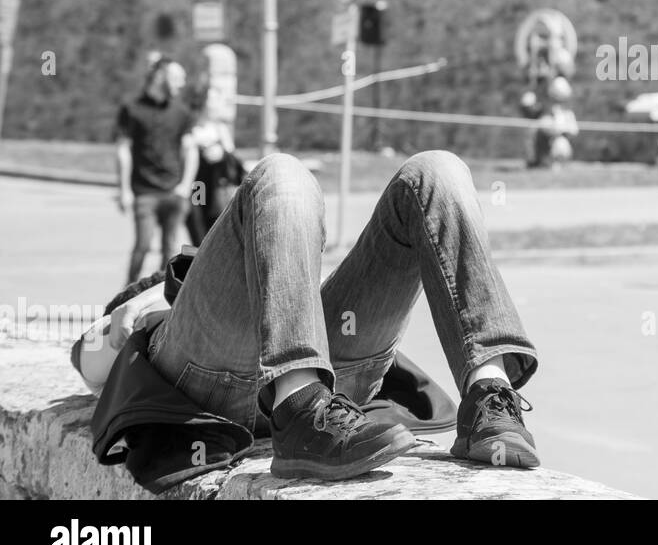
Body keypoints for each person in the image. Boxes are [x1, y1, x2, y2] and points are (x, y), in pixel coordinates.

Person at [74, 149, 540, 485]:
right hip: (209, 378)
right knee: (282, 173)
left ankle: (488, 395)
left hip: (333, 376)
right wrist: (137, 306)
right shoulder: (156, 302)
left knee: (437, 170)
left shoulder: (281, 277)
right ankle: (299, 411)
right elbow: (89, 361)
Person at [116, 56, 199, 286]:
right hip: (144, 192)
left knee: (169, 250)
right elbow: (123, 150)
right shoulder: (132, 109)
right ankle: (127, 292)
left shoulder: (181, 112)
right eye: (177, 78)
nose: (182, 84)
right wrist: (124, 190)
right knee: (142, 246)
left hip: (173, 192)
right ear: (161, 78)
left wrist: (186, 185)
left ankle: (162, 298)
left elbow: (190, 149)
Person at [185, 84, 243, 246]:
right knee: (199, 230)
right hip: (198, 186)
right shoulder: (190, 127)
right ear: (203, 103)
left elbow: (234, 162)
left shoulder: (220, 129)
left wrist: (222, 153)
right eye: (214, 99)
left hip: (217, 189)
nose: (218, 104)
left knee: (215, 233)